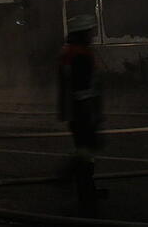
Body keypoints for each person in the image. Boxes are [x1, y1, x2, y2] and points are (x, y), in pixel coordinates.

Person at [58, 14, 106, 205]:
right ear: (82, 33)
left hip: (75, 110)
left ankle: (87, 189)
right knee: (86, 151)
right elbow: (83, 88)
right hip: (82, 111)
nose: (93, 35)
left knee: (86, 150)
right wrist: (94, 113)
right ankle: (75, 183)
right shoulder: (79, 55)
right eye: (90, 32)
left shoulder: (70, 52)